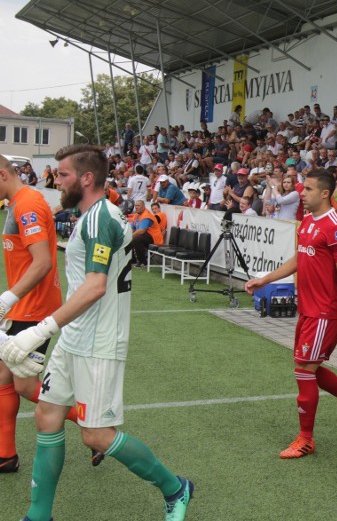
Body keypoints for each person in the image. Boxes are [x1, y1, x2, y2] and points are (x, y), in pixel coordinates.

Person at [0, 144, 193, 520]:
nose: (58, 180)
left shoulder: (99, 218)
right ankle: (38, 516)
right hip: (75, 337)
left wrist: (38, 331)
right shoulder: (89, 216)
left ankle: (175, 487)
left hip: (99, 342)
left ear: (87, 178)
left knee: (97, 435)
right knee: (47, 415)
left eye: (64, 174)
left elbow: (94, 287)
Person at [244, 169, 337, 459]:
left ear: (325, 194)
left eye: (309, 189)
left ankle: (306, 439)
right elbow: (298, 259)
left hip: (325, 312)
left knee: (304, 370)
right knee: (308, 367)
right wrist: (265, 279)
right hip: (307, 308)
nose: (302, 193)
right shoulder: (309, 222)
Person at [0, 156, 76, 476]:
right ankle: (6, 455)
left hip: (33, 308)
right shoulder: (17, 201)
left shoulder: (27, 203)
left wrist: (9, 297)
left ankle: (90, 419)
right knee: (4, 379)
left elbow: (42, 262)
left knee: (24, 385)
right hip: (23, 305)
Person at [129, 200, 163, 267]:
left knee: (136, 238)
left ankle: (143, 262)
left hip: (154, 238)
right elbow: (131, 227)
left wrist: (130, 236)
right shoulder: (136, 215)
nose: (136, 207)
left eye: (138, 205)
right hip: (146, 236)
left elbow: (142, 230)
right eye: (136, 206)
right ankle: (133, 260)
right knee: (132, 237)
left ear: (143, 206)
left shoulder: (146, 215)